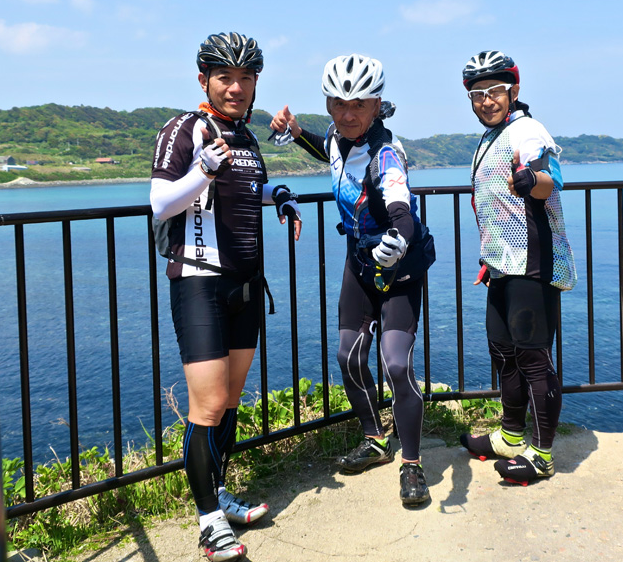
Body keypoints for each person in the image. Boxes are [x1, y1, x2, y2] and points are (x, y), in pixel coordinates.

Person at [150, 32, 302, 561]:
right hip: (199, 281)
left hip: (245, 282)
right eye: (225, 77)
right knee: (208, 404)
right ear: (204, 80)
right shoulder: (185, 129)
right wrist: (202, 170)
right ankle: (209, 522)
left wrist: (278, 195)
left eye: (246, 78)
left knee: (231, 401)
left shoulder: (246, 136)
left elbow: (243, 190)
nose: (236, 87)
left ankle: (218, 494)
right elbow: (160, 203)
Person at [269, 54, 436, 506]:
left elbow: (401, 209)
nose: (347, 114)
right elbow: (327, 149)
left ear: (377, 105)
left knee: (396, 364)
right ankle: (375, 439)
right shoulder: (336, 136)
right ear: (328, 104)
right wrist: (296, 131)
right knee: (349, 355)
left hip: (399, 266)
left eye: (358, 104)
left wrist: (398, 239)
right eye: (339, 104)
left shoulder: (386, 154)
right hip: (359, 262)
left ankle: (412, 464)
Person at [457, 49, 577, 486]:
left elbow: (549, 179)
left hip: (532, 262)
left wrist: (531, 180)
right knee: (503, 351)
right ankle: (510, 437)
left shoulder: (527, 130)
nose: (486, 100)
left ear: (514, 91)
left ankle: (542, 455)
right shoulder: (491, 136)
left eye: (495, 91)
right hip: (501, 264)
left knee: (533, 357)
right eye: (477, 94)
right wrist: (490, 258)